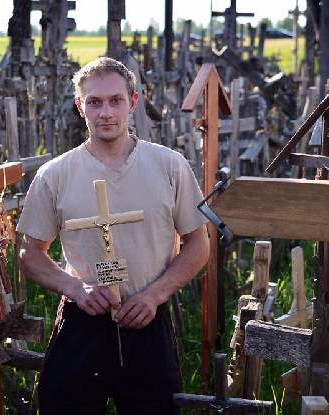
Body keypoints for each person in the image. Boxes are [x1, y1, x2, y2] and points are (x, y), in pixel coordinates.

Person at [17, 57, 210, 415]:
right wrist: (75, 289)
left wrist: (155, 295)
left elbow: (198, 244)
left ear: (132, 102)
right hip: (83, 317)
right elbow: (30, 253)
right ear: (80, 106)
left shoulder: (169, 166)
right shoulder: (55, 175)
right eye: (94, 102)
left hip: (146, 317)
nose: (105, 112)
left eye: (115, 100)